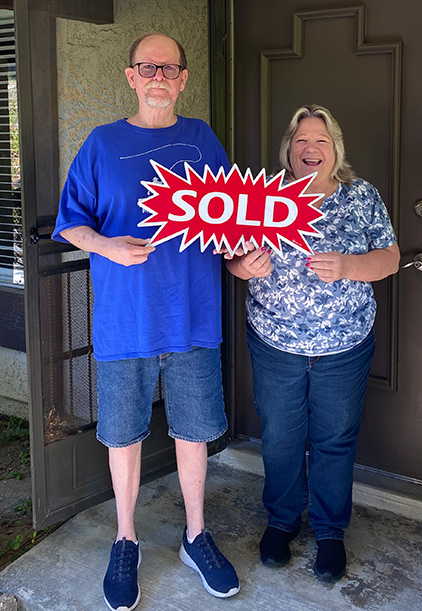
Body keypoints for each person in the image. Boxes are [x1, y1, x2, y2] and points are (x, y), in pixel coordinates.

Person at [52, 32, 240, 611]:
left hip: (192, 320)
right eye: (147, 66)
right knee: (125, 437)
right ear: (131, 77)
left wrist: (246, 260)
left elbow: (231, 225)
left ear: (183, 79)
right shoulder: (101, 144)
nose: (158, 74)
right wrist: (105, 247)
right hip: (124, 323)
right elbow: (70, 223)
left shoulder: (203, 139)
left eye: (169, 67)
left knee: (194, 432)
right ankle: (125, 539)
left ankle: (195, 536)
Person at [226, 104, 400, 582]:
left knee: (334, 440)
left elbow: (389, 258)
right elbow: (232, 259)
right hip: (275, 341)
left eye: (321, 141)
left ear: (335, 151)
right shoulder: (262, 197)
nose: (310, 149)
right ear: (289, 149)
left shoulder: (360, 197)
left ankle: (329, 532)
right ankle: (281, 522)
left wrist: (347, 266)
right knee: (280, 437)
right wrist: (245, 267)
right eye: (301, 140)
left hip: (344, 344)